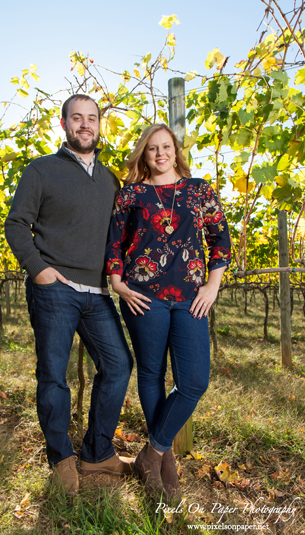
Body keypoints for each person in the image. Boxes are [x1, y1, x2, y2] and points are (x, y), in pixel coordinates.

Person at [4, 94, 134, 494]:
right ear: (63, 124)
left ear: (99, 126)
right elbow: (15, 225)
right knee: (53, 376)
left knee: (118, 366)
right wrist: (40, 271)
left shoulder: (111, 179)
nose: (85, 125)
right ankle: (61, 457)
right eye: (76, 118)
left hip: (97, 294)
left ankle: (97, 452)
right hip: (54, 290)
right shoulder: (41, 170)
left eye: (91, 119)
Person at [105, 123, 231, 499]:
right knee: (152, 373)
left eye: (166, 147)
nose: (160, 154)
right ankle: (166, 464)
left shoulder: (199, 190)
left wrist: (213, 284)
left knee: (194, 382)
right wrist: (117, 283)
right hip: (143, 296)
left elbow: (220, 238)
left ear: (175, 150)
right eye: (152, 149)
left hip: (192, 297)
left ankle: (154, 452)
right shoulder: (132, 194)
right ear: (144, 155)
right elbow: (115, 242)